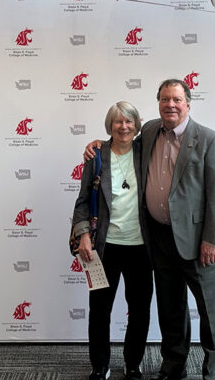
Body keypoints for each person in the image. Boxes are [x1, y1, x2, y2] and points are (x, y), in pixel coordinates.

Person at [85, 79, 215, 380]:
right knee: (170, 308)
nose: (171, 105)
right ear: (158, 104)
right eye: (165, 99)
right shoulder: (150, 131)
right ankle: (174, 365)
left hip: (198, 241)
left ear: (188, 103)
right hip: (159, 240)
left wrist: (212, 240)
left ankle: (214, 372)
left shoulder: (209, 140)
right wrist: (97, 144)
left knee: (212, 311)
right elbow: (120, 141)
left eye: (176, 99)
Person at [72, 101, 153, 380]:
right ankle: (100, 365)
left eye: (129, 121)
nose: (124, 126)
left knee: (140, 309)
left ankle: (133, 364)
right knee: (100, 309)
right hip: (105, 247)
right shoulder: (96, 156)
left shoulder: (146, 152)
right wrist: (83, 234)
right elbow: (83, 200)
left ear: (137, 124)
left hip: (142, 247)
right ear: (110, 125)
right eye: (118, 122)